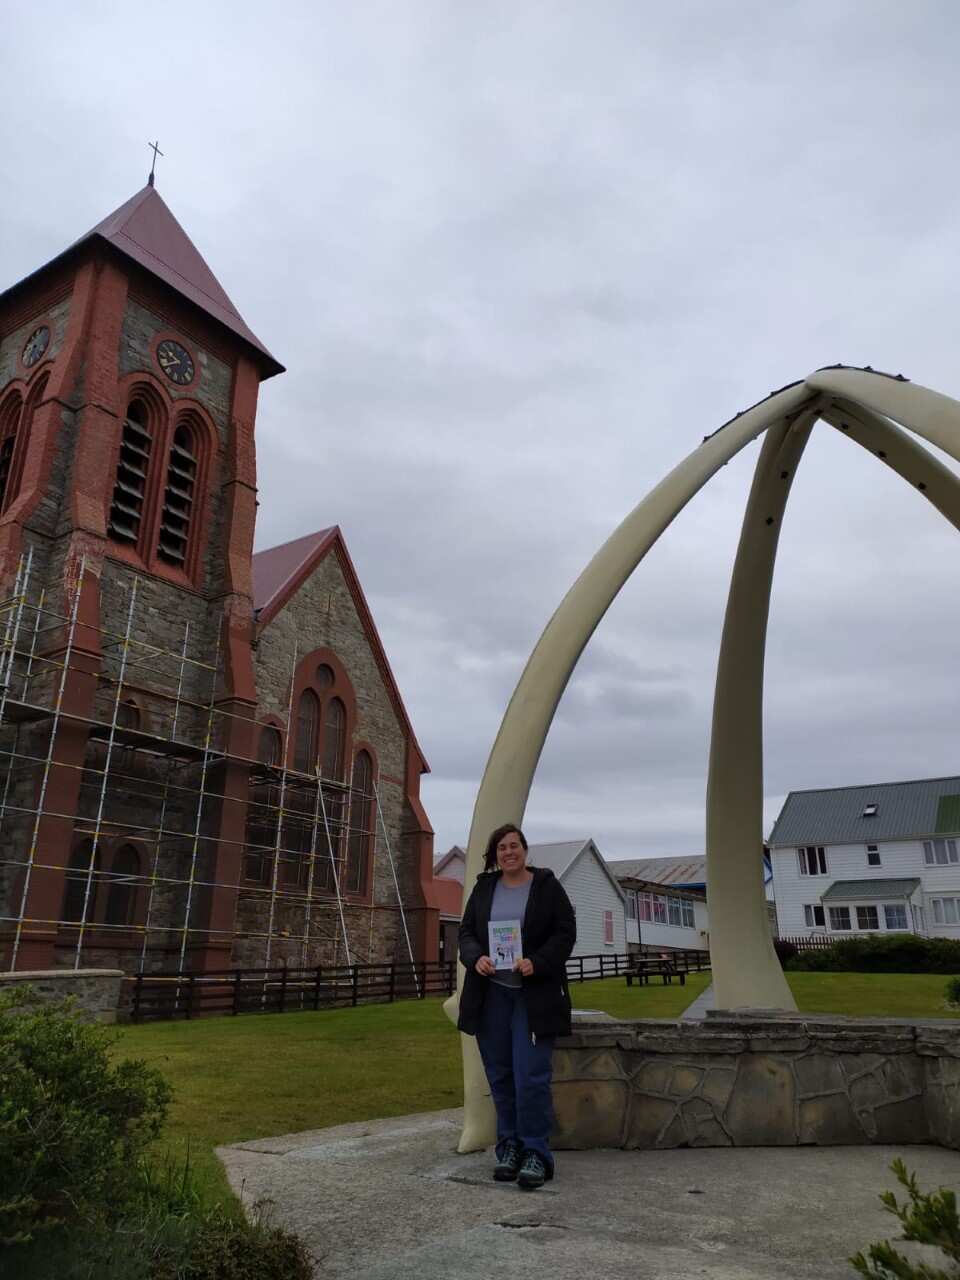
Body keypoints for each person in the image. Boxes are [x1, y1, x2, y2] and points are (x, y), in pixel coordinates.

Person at [457, 823, 576, 1190]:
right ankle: (508, 1148)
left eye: (514, 846)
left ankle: (536, 1153)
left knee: (531, 1077)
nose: (508, 852)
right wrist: (476, 957)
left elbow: (565, 932)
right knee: (502, 1077)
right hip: (492, 995)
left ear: (525, 850)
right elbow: (466, 934)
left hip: (533, 996)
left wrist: (537, 962)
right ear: (495, 856)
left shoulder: (546, 886)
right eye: (501, 848)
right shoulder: (483, 889)